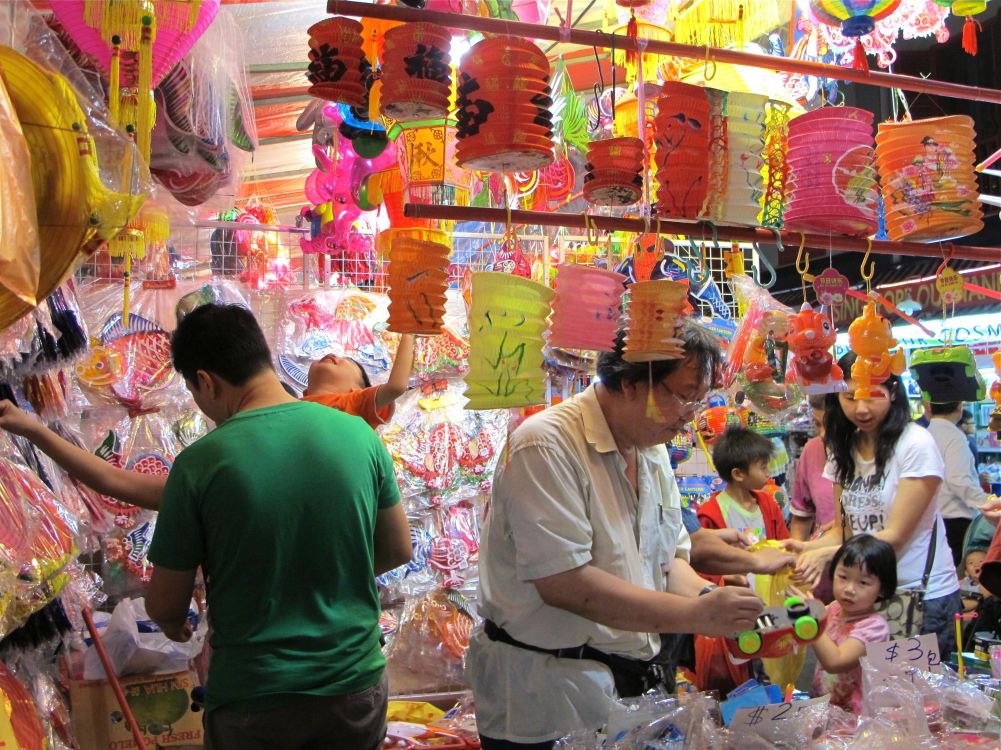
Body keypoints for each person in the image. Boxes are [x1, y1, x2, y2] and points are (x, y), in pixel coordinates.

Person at [465, 322, 764, 748]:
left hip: (626, 697)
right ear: (629, 382)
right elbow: (565, 584)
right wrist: (696, 616)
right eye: (681, 396)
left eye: (698, 401)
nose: (688, 415)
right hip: (548, 702)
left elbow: (668, 561)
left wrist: (708, 601)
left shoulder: (652, 451)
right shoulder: (544, 446)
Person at [143, 303, 411, 750]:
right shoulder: (360, 435)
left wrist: (173, 625)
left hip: (255, 695)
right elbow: (398, 549)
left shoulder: (200, 464)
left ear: (206, 382)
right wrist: (330, 577)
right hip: (354, 685)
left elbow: (166, 603)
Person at [0, 333, 416, 511]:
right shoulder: (356, 448)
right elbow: (394, 550)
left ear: (206, 384)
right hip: (345, 663)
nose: (332, 356)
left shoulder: (220, 457)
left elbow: (123, 485)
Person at [787, 352, 961, 659]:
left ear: (893, 393)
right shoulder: (844, 449)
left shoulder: (915, 444)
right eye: (850, 397)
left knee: (914, 699)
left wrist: (828, 555)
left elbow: (894, 536)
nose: (861, 408)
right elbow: (844, 533)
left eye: (874, 396)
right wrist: (801, 550)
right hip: (864, 597)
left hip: (917, 596)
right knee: (867, 697)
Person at [808, 534, 894, 714]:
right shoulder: (833, 609)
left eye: (863, 582)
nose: (849, 589)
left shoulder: (874, 627)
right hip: (823, 707)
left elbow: (835, 661)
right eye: (843, 577)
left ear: (882, 589)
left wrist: (811, 623)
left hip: (853, 717)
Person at [301, 333, 415, 429]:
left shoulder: (354, 403)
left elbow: (396, 387)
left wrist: (408, 334)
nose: (333, 354)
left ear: (358, 390)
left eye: (347, 360)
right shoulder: (293, 403)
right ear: (305, 392)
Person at [698, 426, 790, 545]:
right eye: (763, 467)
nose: (768, 473)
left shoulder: (769, 504)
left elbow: (785, 546)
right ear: (738, 474)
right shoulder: (710, 514)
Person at [927, 401, 986, 568]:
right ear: (959, 408)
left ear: (929, 407)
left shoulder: (925, 433)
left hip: (934, 517)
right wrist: (986, 504)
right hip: (956, 520)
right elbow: (959, 480)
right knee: (956, 574)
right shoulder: (954, 437)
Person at [790, 395, 836, 544]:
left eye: (831, 426)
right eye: (818, 424)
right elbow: (801, 515)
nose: (823, 434)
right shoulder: (812, 450)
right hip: (821, 562)